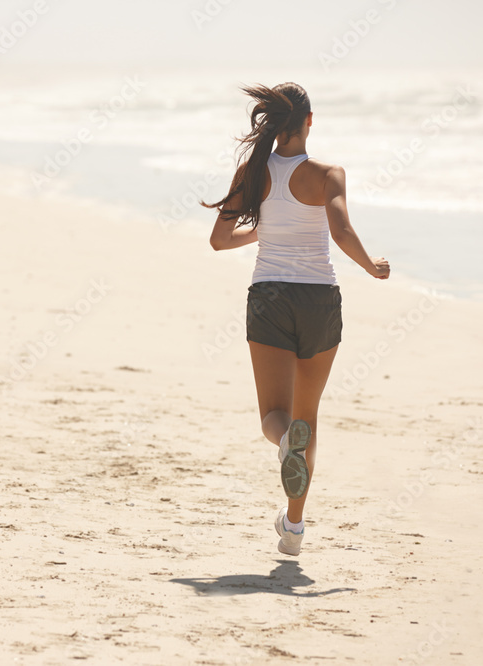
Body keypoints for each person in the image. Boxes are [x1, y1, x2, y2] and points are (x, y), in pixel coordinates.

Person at [205, 82, 390, 556]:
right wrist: (370, 266)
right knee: (309, 417)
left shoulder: (252, 172)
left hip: (269, 295)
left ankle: (286, 442)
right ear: (310, 121)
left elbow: (219, 241)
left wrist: (261, 233)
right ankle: (294, 527)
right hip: (320, 300)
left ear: (273, 125)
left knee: (275, 417)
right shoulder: (329, 174)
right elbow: (341, 228)